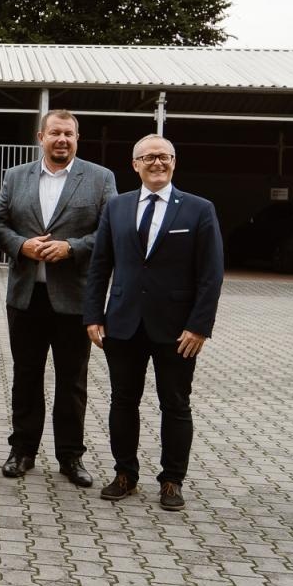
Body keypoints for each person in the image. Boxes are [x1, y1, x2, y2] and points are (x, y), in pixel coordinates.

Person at [84, 135, 224, 512]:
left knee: (175, 404)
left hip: (177, 331)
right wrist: (93, 314)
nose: (156, 163)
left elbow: (211, 275)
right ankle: (124, 474)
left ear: (174, 162)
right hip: (123, 325)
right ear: (135, 165)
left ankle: (172, 480)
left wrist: (199, 327)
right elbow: (99, 266)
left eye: (163, 157)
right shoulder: (117, 207)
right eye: (148, 158)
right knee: (122, 402)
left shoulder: (199, 209)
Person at [0, 110, 117, 487]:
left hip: (75, 299)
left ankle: (70, 457)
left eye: (69, 134)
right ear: (40, 136)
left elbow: (110, 231)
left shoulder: (99, 178)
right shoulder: (15, 177)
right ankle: (23, 451)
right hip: (26, 298)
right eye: (55, 133)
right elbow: (0, 225)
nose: (61, 139)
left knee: (72, 382)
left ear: (77, 138)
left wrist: (72, 247)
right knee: (25, 377)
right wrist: (22, 245)